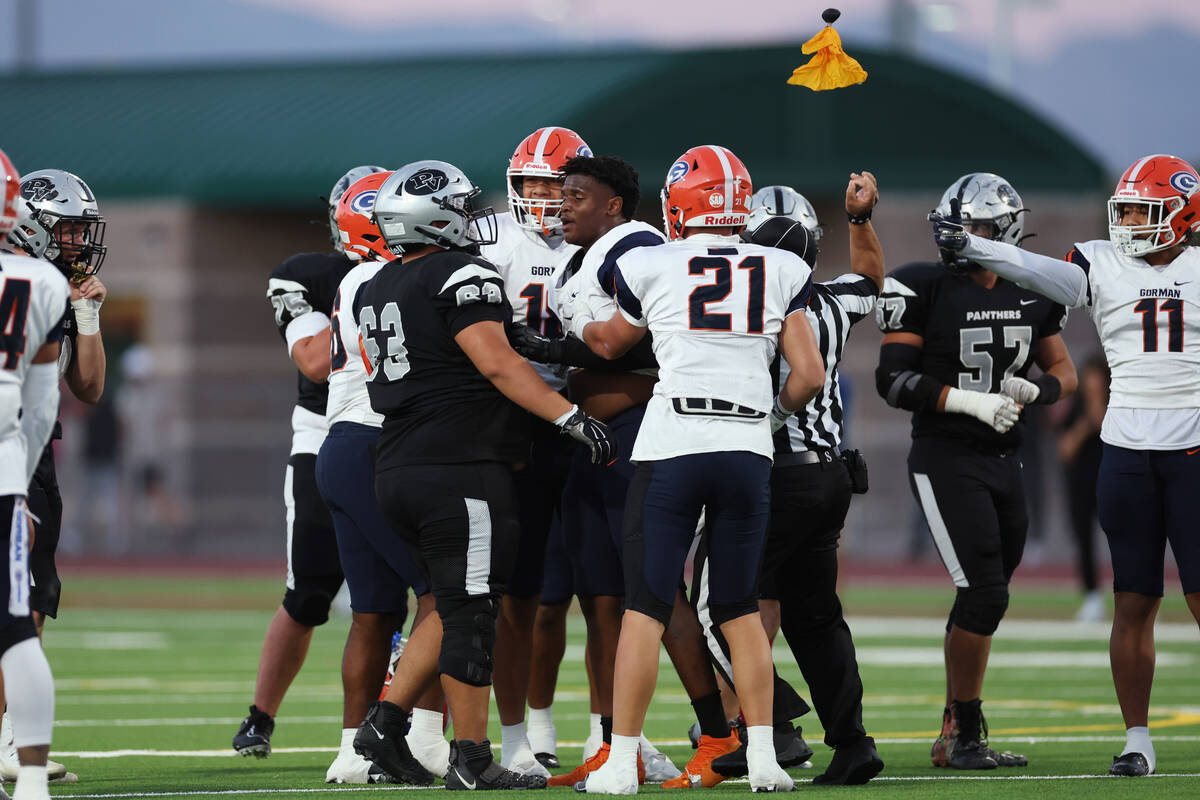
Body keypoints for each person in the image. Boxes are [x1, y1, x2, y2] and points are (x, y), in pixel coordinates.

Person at [930, 153, 1200, 777]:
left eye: (1143, 210)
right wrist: (974, 244)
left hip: (1191, 448)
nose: (1130, 221)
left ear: (1182, 216)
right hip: (1128, 450)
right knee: (1133, 599)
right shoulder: (1099, 262)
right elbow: (1034, 266)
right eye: (1126, 209)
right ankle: (1138, 739)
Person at [349, 160, 614, 790]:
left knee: (445, 600)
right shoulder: (464, 273)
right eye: (461, 208)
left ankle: (384, 724)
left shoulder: (376, 283)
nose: (473, 218)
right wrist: (570, 416)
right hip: (459, 464)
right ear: (434, 217)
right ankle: (470, 755)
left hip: (397, 461)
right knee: (472, 608)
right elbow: (496, 364)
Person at [574, 144, 826, 795]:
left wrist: (570, 308)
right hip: (746, 448)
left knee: (646, 607)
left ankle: (623, 760)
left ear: (680, 204)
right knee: (740, 610)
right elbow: (810, 375)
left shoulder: (648, 261)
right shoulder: (781, 266)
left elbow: (608, 343)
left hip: (672, 442)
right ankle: (765, 757)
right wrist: (767, 417)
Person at [878, 172, 1077, 770]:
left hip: (1005, 455)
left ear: (1009, 229)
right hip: (945, 454)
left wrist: (1037, 391)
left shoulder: (1034, 287)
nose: (965, 237)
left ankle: (956, 725)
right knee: (983, 590)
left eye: (980, 227)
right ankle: (964, 729)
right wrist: (969, 401)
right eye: (958, 225)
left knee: (988, 595)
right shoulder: (922, 285)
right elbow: (893, 380)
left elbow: (1064, 370)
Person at [694, 177, 885, 786]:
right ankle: (853, 744)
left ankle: (773, 724)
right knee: (816, 617)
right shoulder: (833, 301)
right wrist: (861, 222)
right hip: (828, 475)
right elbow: (872, 282)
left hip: (770, 474)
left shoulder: (755, 301)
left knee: (711, 605)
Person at [234, 165, 385, 758]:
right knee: (308, 593)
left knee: (405, 597)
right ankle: (260, 716)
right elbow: (317, 362)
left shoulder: (425, 274)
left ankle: (398, 725)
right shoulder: (309, 277)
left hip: (408, 442)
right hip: (328, 440)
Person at [314, 171, 444, 784]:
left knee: (372, 612)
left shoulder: (352, 279)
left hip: (338, 443)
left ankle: (349, 750)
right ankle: (422, 735)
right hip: (381, 442)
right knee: (446, 594)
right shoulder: (397, 277)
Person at [479, 126, 590, 778]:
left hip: (580, 426)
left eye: (559, 185)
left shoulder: (606, 243)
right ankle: (509, 731)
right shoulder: (490, 238)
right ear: (517, 186)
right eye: (536, 185)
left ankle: (578, 725)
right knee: (507, 597)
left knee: (578, 593)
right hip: (508, 425)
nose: (547, 198)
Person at [2, 167, 110, 785]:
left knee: (33, 602)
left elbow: (88, 387)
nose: (78, 243)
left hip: (29, 453)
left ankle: (14, 738)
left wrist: (88, 314)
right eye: (67, 231)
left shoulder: (50, 286)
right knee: (17, 608)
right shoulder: (31, 281)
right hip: (18, 449)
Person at [0, 146, 71, 800]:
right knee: (15, 627)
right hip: (4, 470)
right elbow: (43, 406)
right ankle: (28, 780)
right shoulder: (39, 282)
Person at [1057, 355, 1110, 623]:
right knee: (1085, 541)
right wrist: (1085, 424)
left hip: (1112, 485)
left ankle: (1136, 596)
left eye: (1096, 377)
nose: (1091, 384)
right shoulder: (1076, 409)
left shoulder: (1118, 407)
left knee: (1124, 540)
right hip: (1081, 484)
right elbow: (1065, 449)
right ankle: (1092, 597)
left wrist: (1099, 413)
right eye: (1087, 377)